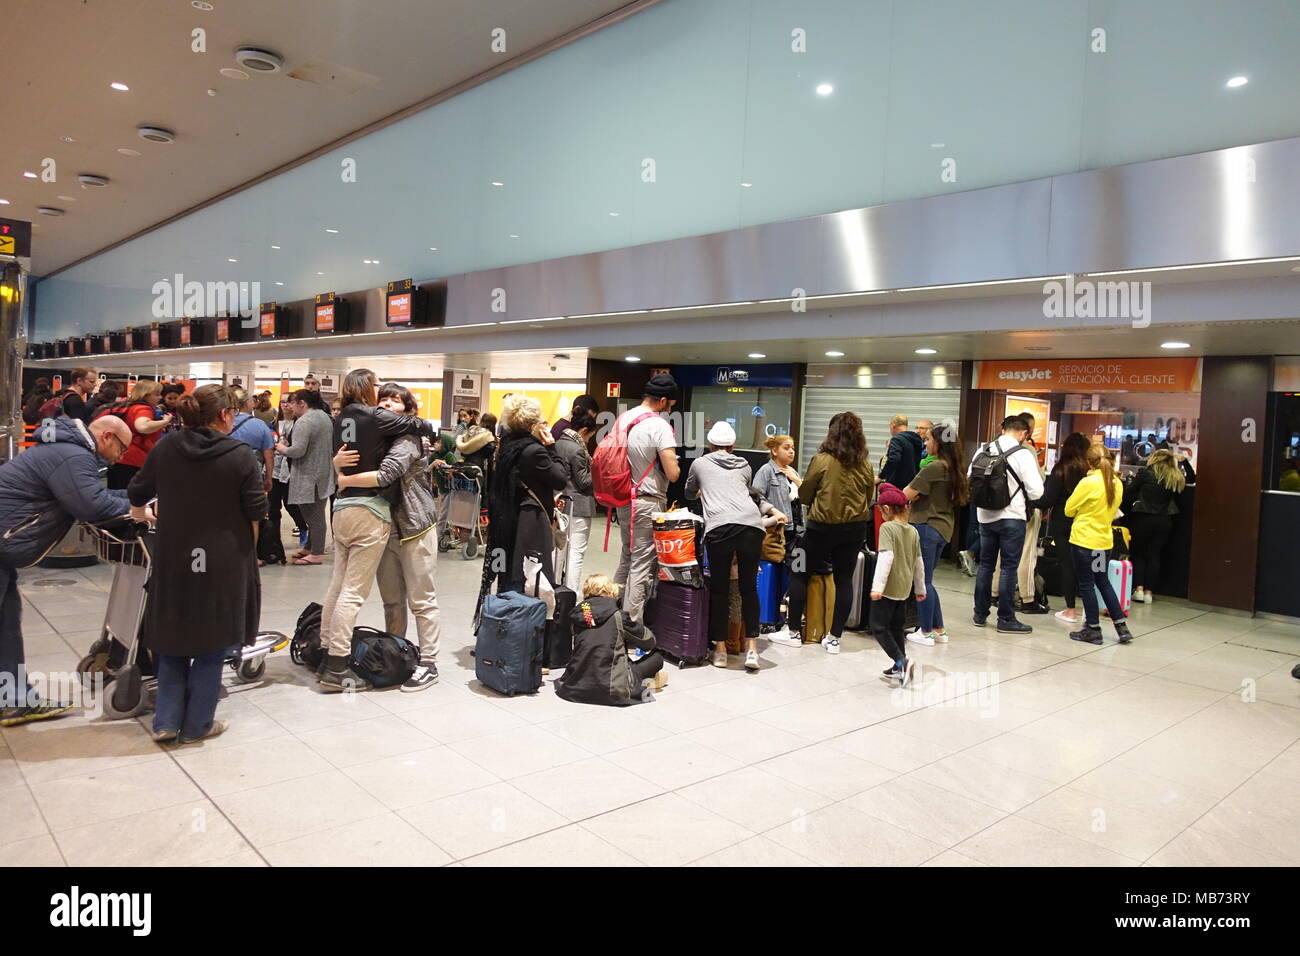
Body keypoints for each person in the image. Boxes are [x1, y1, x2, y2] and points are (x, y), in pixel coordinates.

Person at [126, 385, 264, 743]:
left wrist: (146, 513)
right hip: (222, 559)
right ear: (223, 415)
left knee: (171, 631)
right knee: (212, 640)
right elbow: (256, 512)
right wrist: (250, 556)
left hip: (175, 553)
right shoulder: (240, 454)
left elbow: (138, 490)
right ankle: (198, 724)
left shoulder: (167, 446)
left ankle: (166, 721)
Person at [0, 416, 135, 726]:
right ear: (107, 437)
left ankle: (14, 701)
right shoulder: (72, 456)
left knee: (6, 626)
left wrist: (135, 500)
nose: (122, 457)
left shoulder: (67, 452)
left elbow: (94, 496)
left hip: (2, 552)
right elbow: (93, 506)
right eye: (122, 448)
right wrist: (139, 509)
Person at [318, 369, 433, 692]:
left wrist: (340, 472)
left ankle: (325, 654)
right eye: (381, 391)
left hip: (340, 509)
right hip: (369, 510)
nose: (385, 399)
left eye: (395, 398)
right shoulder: (376, 417)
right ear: (368, 389)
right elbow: (420, 427)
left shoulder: (339, 419)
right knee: (353, 593)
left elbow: (341, 458)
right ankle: (337, 668)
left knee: (337, 586)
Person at [767, 412, 874, 654]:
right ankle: (834, 638)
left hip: (820, 531)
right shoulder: (865, 464)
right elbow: (869, 498)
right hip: (854, 531)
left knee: (798, 570)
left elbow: (805, 496)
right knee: (844, 580)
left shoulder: (822, 460)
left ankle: (793, 632)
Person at [686, 420, 786, 671]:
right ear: (732, 445)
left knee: (720, 590)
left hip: (720, 527)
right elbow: (744, 493)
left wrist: (702, 491)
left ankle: (720, 650)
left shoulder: (699, 463)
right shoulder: (744, 464)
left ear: (710, 444)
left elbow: (689, 492)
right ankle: (752, 650)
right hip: (752, 526)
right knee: (748, 588)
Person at [480, 394, 568, 598]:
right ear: (532, 423)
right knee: (533, 574)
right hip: (531, 520)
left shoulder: (506, 446)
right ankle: (528, 618)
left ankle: (507, 610)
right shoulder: (534, 451)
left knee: (512, 570)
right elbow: (560, 479)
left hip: (508, 518)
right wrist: (552, 448)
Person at [612, 374, 681, 625]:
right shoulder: (659, 425)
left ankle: (609, 614)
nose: (670, 408)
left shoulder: (623, 418)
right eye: (670, 404)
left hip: (622, 497)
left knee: (627, 557)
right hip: (646, 499)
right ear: (662, 401)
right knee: (641, 563)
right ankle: (632, 627)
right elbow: (672, 474)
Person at [969, 415, 1044, 633]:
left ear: (1003, 429)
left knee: (986, 566)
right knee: (1008, 568)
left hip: (985, 516)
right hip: (1012, 517)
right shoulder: (1022, 453)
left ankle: (979, 614)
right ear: (1024, 433)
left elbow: (970, 476)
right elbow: (1037, 491)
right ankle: (1006, 619)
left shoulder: (983, 449)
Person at [554, 574, 664, 706]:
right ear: (610, 590)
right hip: (611, 688)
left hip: (574, 686)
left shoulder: (579, 614)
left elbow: (594, 632)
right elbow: (649, 642)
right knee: (657, 658)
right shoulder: (618, 616)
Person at [903, 422, 968, 645]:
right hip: (942, 529)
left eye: (928, 439)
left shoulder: (934, 468)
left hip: (925, 526)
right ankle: (938, 629)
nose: (925, 442)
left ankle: (925, 631)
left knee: (922, 581)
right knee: (928, 580)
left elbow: (907, 494)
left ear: (938, 443)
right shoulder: (954, 468)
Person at [1064, 444, 1133, 645]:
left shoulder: (1088, 482)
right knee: (1102, 582)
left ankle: (1093, 629)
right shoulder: (1117, 483)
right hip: (1103, 543)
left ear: (1089, 462)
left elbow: (1068, 509)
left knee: (1086, 584)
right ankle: (1122, 627)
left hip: (1083, 541)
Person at [870, 483, 927, 687]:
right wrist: (920, 590)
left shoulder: (887, 528)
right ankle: (898, 665)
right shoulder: (913, 531)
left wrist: (877, 587)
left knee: (878, 627)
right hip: (905, 589)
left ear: (886, 509)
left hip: (888, 588)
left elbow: (886, 558)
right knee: (896, 627)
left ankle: (902, 661)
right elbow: (919, 563)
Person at [1035, 433, 1090, 625]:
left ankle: (1070, 609)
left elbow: (1048, 499)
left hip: (1062, 522)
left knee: (1067, 565)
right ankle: (1089, 609)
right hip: (1085, 522)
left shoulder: (1060, 470)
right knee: (1085, 565)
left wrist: (1031, 503)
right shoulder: (1089, 470)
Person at [276, 388, 335, 565]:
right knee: (315, 513)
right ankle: (310, 547)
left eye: (293, 402)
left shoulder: (304, 421)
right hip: (323, 472)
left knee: (313, 516)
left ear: (302, 403)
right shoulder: (324, 417)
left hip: (308, 475)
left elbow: (298, 451)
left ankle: (316, 553)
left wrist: (281, 448)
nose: (290, 406)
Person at [1125, 448, 1188, 604]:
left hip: (1143, 518)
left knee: (1138, 553)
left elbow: (1129, 492)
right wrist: (1184, 462)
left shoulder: (1146, 473)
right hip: (1164, 521)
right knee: (1155, 555)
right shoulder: (1174, 476)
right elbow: (1192, 478)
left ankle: (1138, 589)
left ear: (1154, 458)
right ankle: (1149, 592)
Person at [555, 409, 598, 591]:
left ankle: (554, 591)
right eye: (590, 437)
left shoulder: (556, 444)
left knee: (558, 552)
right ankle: (570, 595)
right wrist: (597, 471)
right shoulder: (578, 450)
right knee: (575, 554)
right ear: (583, 431)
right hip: (578, 507)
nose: (589, 441)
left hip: (559, 505)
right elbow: (584, 483)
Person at [103, 380, 172, 490]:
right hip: (134, 461)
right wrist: (165, 421)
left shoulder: (127, 405)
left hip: (118, 458)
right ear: (146, 394)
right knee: (132, 498)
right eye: (157, 394)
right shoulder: (143, 409)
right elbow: (142, 426)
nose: (160, 398)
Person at [268, 397, 305, 563]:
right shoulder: (273, 424)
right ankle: (275, 542)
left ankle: (303, 528)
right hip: (274, 468)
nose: (286, 404)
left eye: (289, 402)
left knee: (291, 503)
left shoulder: (300, 424)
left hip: (290, 470)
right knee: (273, 505)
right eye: (283, 401)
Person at [229, 388, 276, 495]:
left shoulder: (225, 422)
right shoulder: (260, 425)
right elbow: (269, 455)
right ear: (246, 403)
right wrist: (269, 478)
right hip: (253, 473)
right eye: (252, 400)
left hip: (228, 471)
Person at [752, 433, 802, 532]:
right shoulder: (766, 471)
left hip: (794, 527)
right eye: (786, 448)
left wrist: (796, 480)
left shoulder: (793, 472)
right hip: (775, 527)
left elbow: (804, 496)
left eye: (793, 448)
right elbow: (756, 497)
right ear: (775, 451)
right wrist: (773, 512)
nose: (791, 451)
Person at [880, 414, 925, 488]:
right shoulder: (916, 439)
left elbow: (894, 459)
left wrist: (881, 476)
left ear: (893, 425)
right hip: (911, 483)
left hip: (896, 485)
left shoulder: (896, 439)